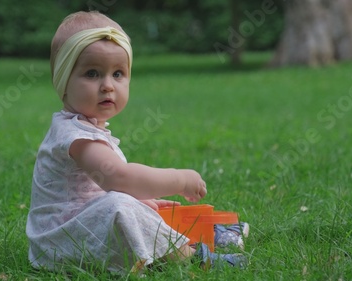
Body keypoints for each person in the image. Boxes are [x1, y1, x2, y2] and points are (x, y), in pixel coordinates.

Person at [26, 11, 247, 273]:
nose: (108, 85)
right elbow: (117, 177)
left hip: (78, 230)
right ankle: (196, 257)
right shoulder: (73, 135)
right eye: (93, 73)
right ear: (63, 80)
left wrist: (142, 202)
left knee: (134, 205)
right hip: (60, 244)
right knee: (120, 207)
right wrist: (179, 179)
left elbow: (94, 194)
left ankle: (203, 232)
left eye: (118, 74)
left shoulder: (87, 128)